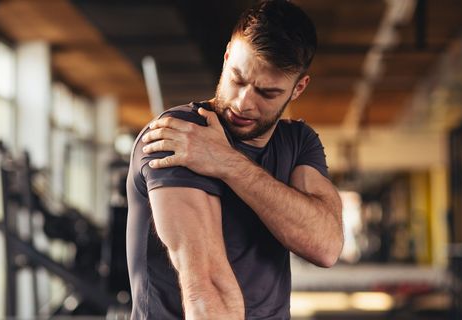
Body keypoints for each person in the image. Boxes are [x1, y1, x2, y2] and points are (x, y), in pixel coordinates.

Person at [126, 1, 343, 319]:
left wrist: (228, 163)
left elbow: (326, 246)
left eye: (266, 93)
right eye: (238, 79)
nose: (243, 103)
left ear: (298, 89)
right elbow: (205, 287)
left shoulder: (297, 141)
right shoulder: (181, 135)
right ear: (227, 56)